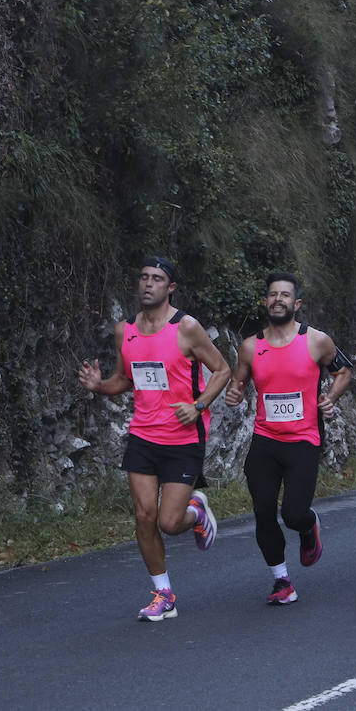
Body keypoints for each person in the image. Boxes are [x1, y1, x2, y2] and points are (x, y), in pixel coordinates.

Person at [78, 256, 232, 621]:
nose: (148, 284)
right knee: (144, 516)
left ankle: (196, 512)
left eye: (157, 279)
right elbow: (124, 381)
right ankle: (164, 594)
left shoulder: (187, 328)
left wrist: (198, 405)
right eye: (144, 277)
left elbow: (222, 370)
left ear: (170, 287)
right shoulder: (125, 331)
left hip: (182, 437)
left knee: (167, 521)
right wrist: (99, 386)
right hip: (143, 435)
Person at [224, 272, 352, 605]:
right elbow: (239, 381)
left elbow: (343, 371)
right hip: (265, 440)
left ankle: (309, 526)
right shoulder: (251, 346)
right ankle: (281, 580)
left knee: (294, 514)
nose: (277, 300)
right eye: (272, 295)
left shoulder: (316, 341)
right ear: (265, 302)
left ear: (296, 304)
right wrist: (235, 394)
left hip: (304, 439)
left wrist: (331, 397)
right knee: (264, 511)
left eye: (284, 295)